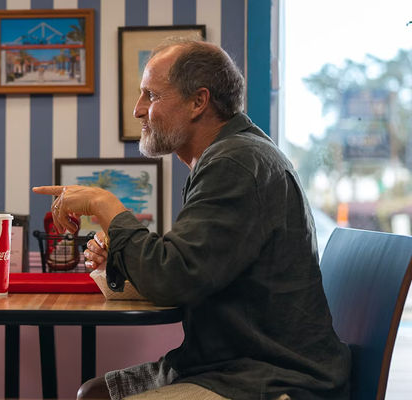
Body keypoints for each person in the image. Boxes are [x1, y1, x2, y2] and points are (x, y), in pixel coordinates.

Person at [33, 38, 351, 399]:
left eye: (150, 96)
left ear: (198, 101)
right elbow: (193, 269)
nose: (138, 110)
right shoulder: (231, 156)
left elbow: (174, 278)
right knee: (93, 393)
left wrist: (105, 205)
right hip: (229, 363)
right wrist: (123, 256)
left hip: (270, 376)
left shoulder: (235, 163)